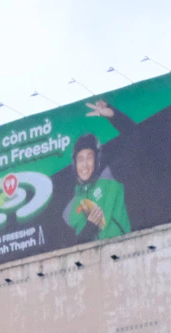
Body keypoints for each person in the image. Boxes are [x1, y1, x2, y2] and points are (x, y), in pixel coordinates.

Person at [62, 99, 134, 240]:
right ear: (74, 164)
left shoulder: (110, 176)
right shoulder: (70, 209)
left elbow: (134, 137)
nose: (85, 165)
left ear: (97, 159)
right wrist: (88, 229)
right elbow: (67, 251)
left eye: (89, 157)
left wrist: (113, 115)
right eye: (80, 159)